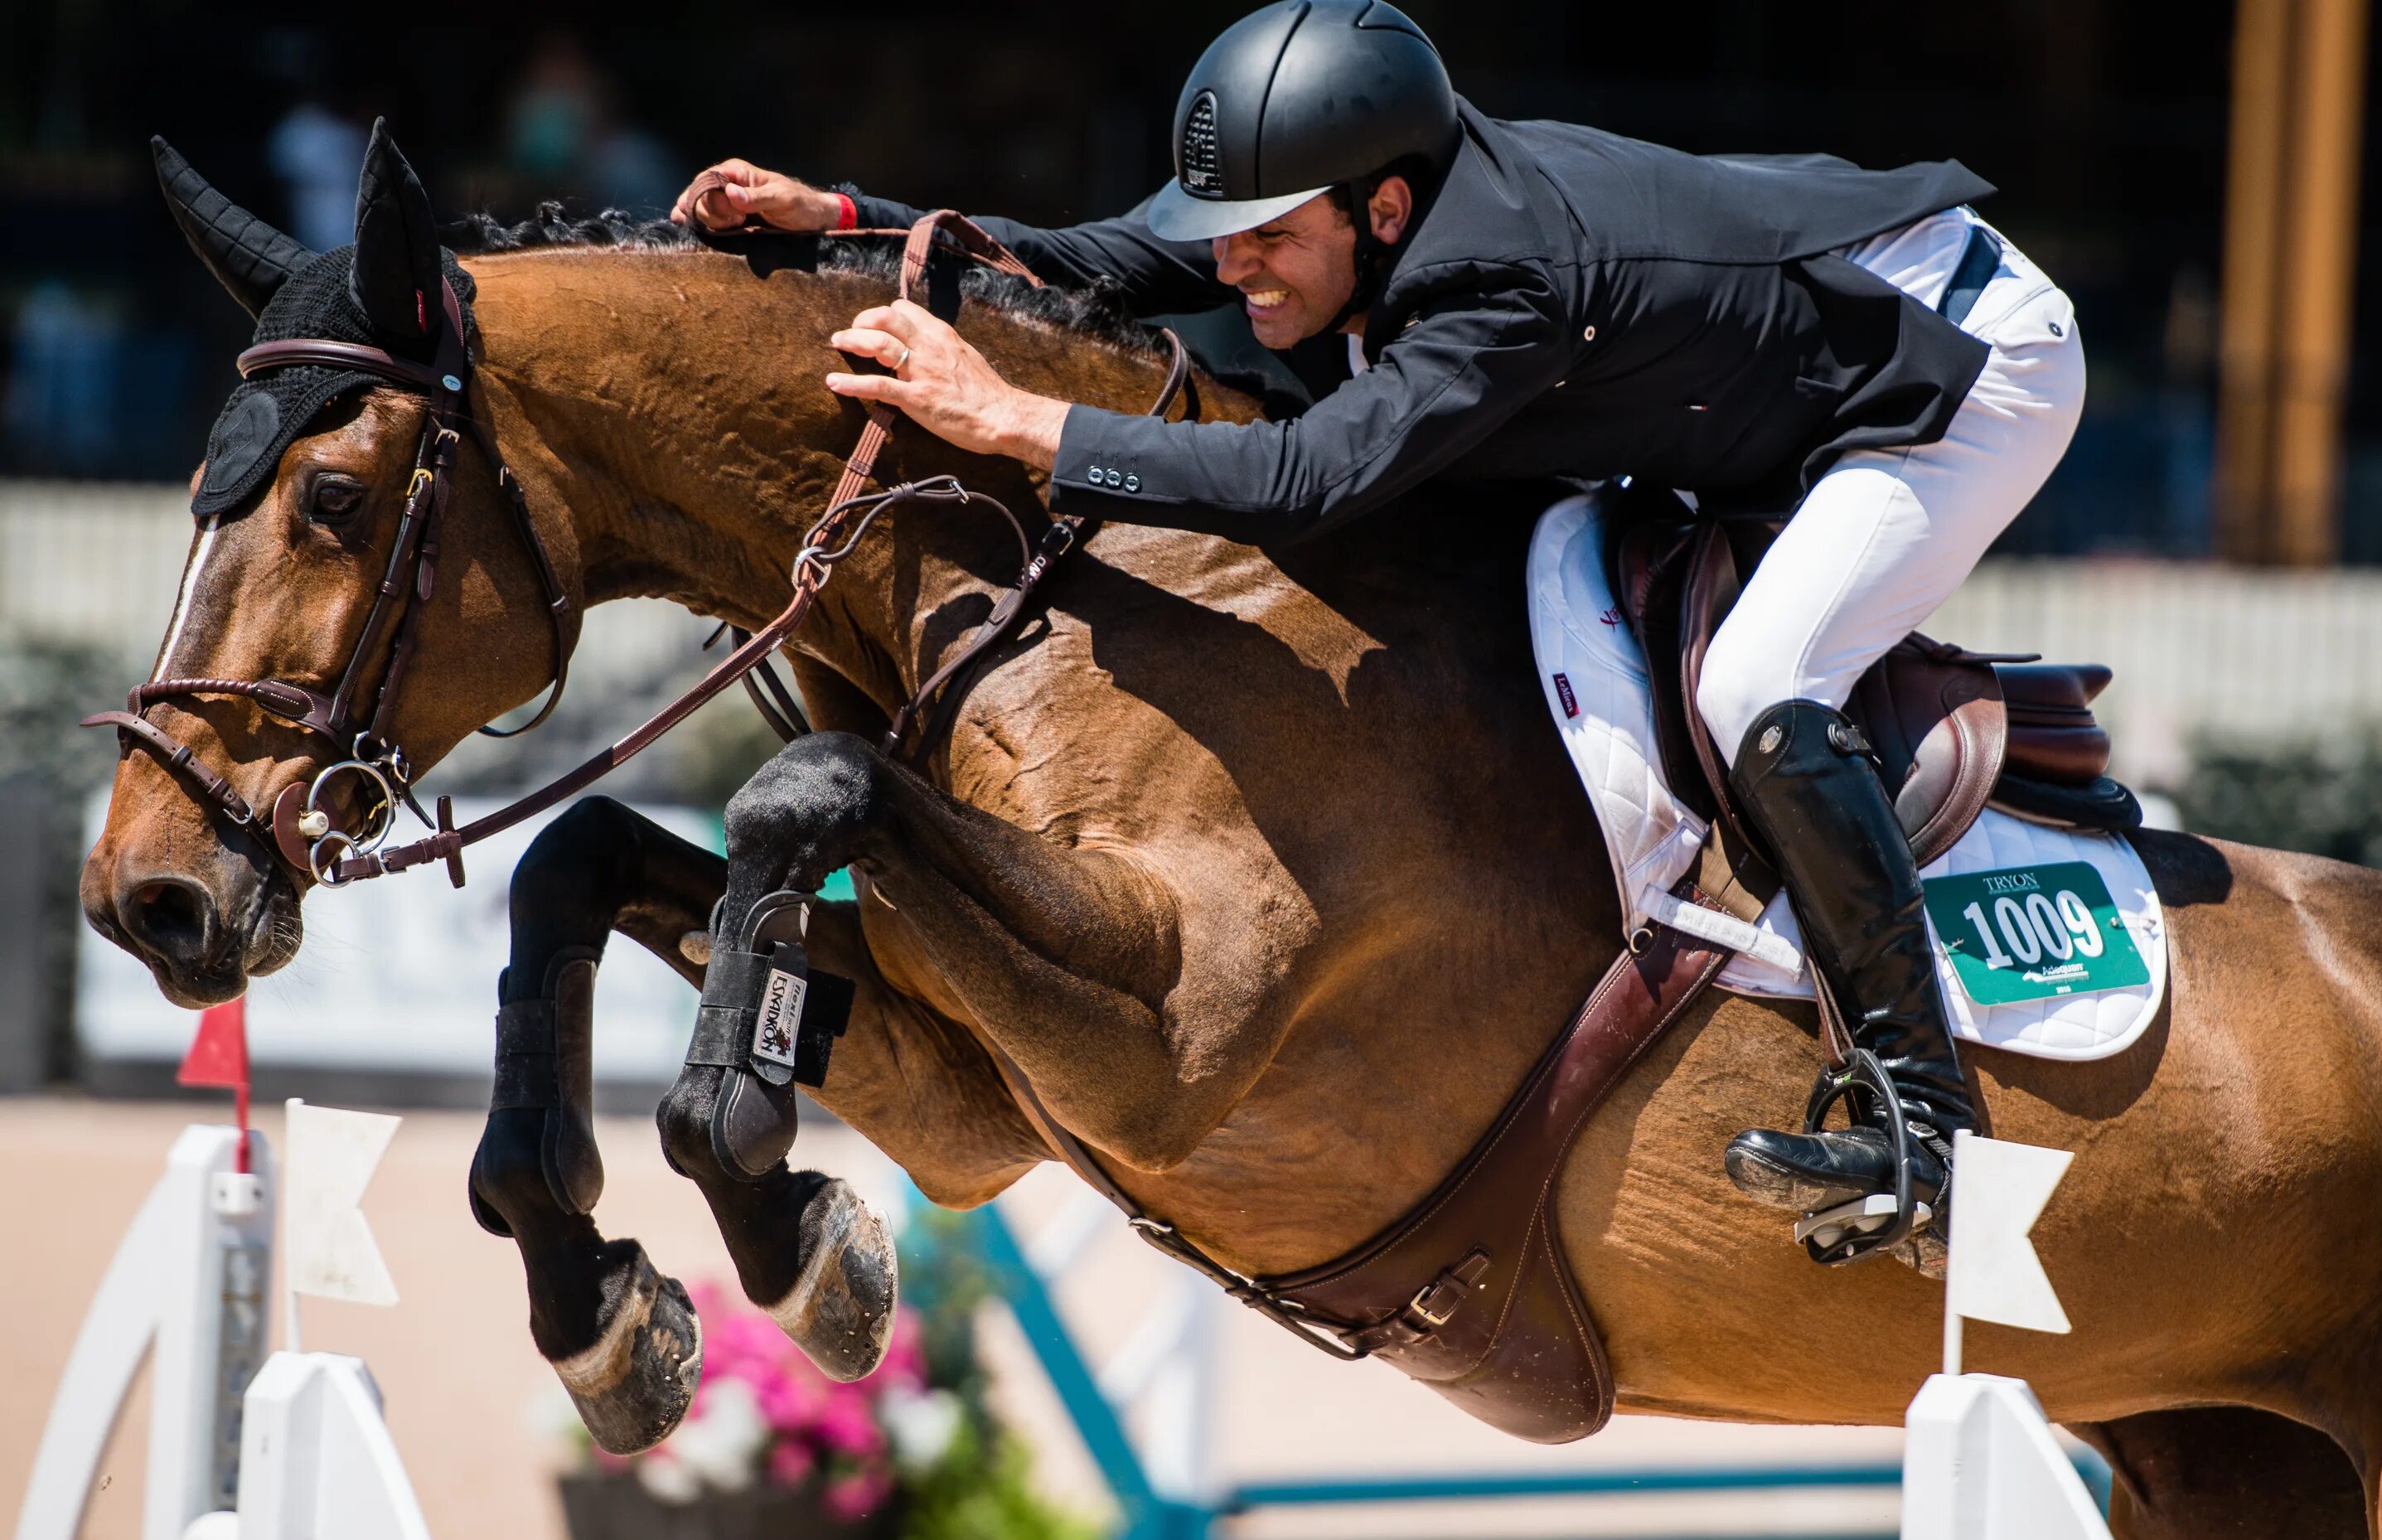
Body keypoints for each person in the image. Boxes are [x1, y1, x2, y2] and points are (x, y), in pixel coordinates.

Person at [671, 0, 2085, 1262]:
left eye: (1274, 240)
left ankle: (1925, 1123)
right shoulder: (1352, 204)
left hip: (1963, 372)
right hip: (1774, 371)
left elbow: (1308, 483)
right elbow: (1127, 262)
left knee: (1765, 678)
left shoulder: (1505, 280)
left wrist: (1018, 422)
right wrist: (853, 222)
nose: (1241, 271)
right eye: (1233, 232)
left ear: (1387, 211)